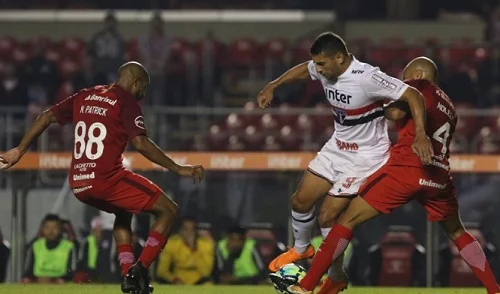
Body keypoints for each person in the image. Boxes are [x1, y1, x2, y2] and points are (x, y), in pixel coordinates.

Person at [279, 57, 500, 294]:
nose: (403, 81)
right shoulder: (450, 106)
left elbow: (394, 113)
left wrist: (368, 105)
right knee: (457, 231)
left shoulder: (418, 86)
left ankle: (306, 286)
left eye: (406, 76)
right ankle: (494, 288)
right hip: (439, 177)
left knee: (346, 220)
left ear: (418, 74)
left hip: (407, 170)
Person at [0, 61, 204, 294]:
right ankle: (142, 269)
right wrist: (177, 168)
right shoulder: (125, 101)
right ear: (135, 82)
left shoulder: (86, 95)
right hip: (106, 179)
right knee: (169, 210)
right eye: (143, 88)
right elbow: (140, 143)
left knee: (123, 212)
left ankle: (128, 273)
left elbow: (46, 116)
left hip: (78, 182)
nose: (142, 94)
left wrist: (19, 149)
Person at [257, 32, 433, 293]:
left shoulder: (367, 77)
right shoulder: (325, 69)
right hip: (337, 147)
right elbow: (303, 71)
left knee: (328, 216)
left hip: (365, 157)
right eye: (316, 64)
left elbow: (413, 96)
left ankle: (336, 276)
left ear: (339, 58)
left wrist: (420, 135)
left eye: (322, 64)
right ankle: (302, 250)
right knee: (299, 201)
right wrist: (273, 84)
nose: (317, 70)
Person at [156, 216, 214, 285]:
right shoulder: (172, 243)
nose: (189, 233)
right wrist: (173, 279)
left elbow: (206, 272)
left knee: (208, 284)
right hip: (178, 278)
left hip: (199, 279)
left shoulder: (206, 244)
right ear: (180, 230)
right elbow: (162, 271)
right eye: (186, 229)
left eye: (192, 229)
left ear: (196, 231)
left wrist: (193, 248)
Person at [23, 214, 77, 283]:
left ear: (60, 229)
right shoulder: (35, 246)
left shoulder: (69, 247)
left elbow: (72, 273)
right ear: (42, 229)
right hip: (38, 285)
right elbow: (28, 272)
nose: (51, 231)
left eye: (54, 228)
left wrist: (52, 280)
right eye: (47, 228)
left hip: (61, 286)